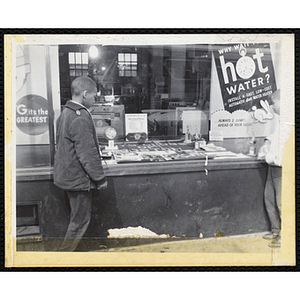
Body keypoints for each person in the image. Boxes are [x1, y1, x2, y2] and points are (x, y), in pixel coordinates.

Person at [53, 76, 107, 251]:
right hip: (78, 180)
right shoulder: (80, 116)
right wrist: (100, 179)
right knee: (79, 221)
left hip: (68, 177)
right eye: (93, 96)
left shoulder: (65, 113)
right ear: (85, 94)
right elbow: (87, 154)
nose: (94, 99)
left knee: (76, 219)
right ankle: (62, 261)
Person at [257, 89, 282, 248]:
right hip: (273, 167)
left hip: (280, 168)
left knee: (282, 203)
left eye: (273, 103)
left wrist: (267, 157)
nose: (271, 107)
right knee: (270, 199)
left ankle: (286, 237)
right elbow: (275, 136)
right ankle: (275, 230)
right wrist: (267, 142)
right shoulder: (282, 120)